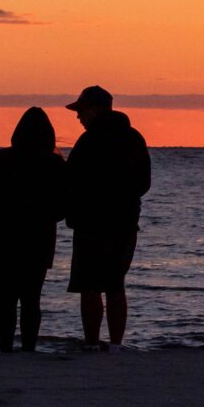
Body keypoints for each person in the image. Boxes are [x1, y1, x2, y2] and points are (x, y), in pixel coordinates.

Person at [63, 85, 151, 349]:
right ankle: (115, 345)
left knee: (89, 284)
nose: (78, 117)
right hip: (124, 222)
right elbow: (143, 183)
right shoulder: (134, 138)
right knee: (115, 285)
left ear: (96, 109)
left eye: (82, 111)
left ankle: (91, 343)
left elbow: (70, 179)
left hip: (91, 223)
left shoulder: (89, 141)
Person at [0, 106, 65, 352]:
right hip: (39, 238)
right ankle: (29, 349)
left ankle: (5, 349)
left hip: (3, 237)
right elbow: (66, 202)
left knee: (6, 298)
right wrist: (46, 218)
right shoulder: (54, 163)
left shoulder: (1, 158)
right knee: (32, 299)